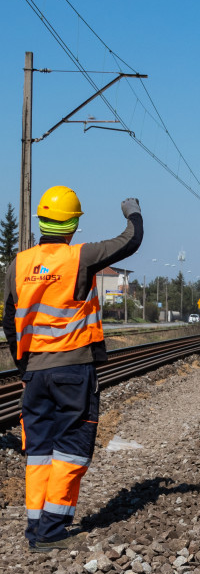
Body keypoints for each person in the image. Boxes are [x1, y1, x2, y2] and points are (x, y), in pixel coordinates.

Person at [2, 187, 143, 551]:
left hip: (34, 372)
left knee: (38, 451)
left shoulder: (18, 264)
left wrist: (25, 365)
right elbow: (129, 241)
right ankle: (51, 532)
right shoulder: (79, 257)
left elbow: (8, 320)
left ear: (41, 221)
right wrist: (133, 212)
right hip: (73, 371)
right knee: (71, 447)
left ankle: (37, 528)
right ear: (73, 224)